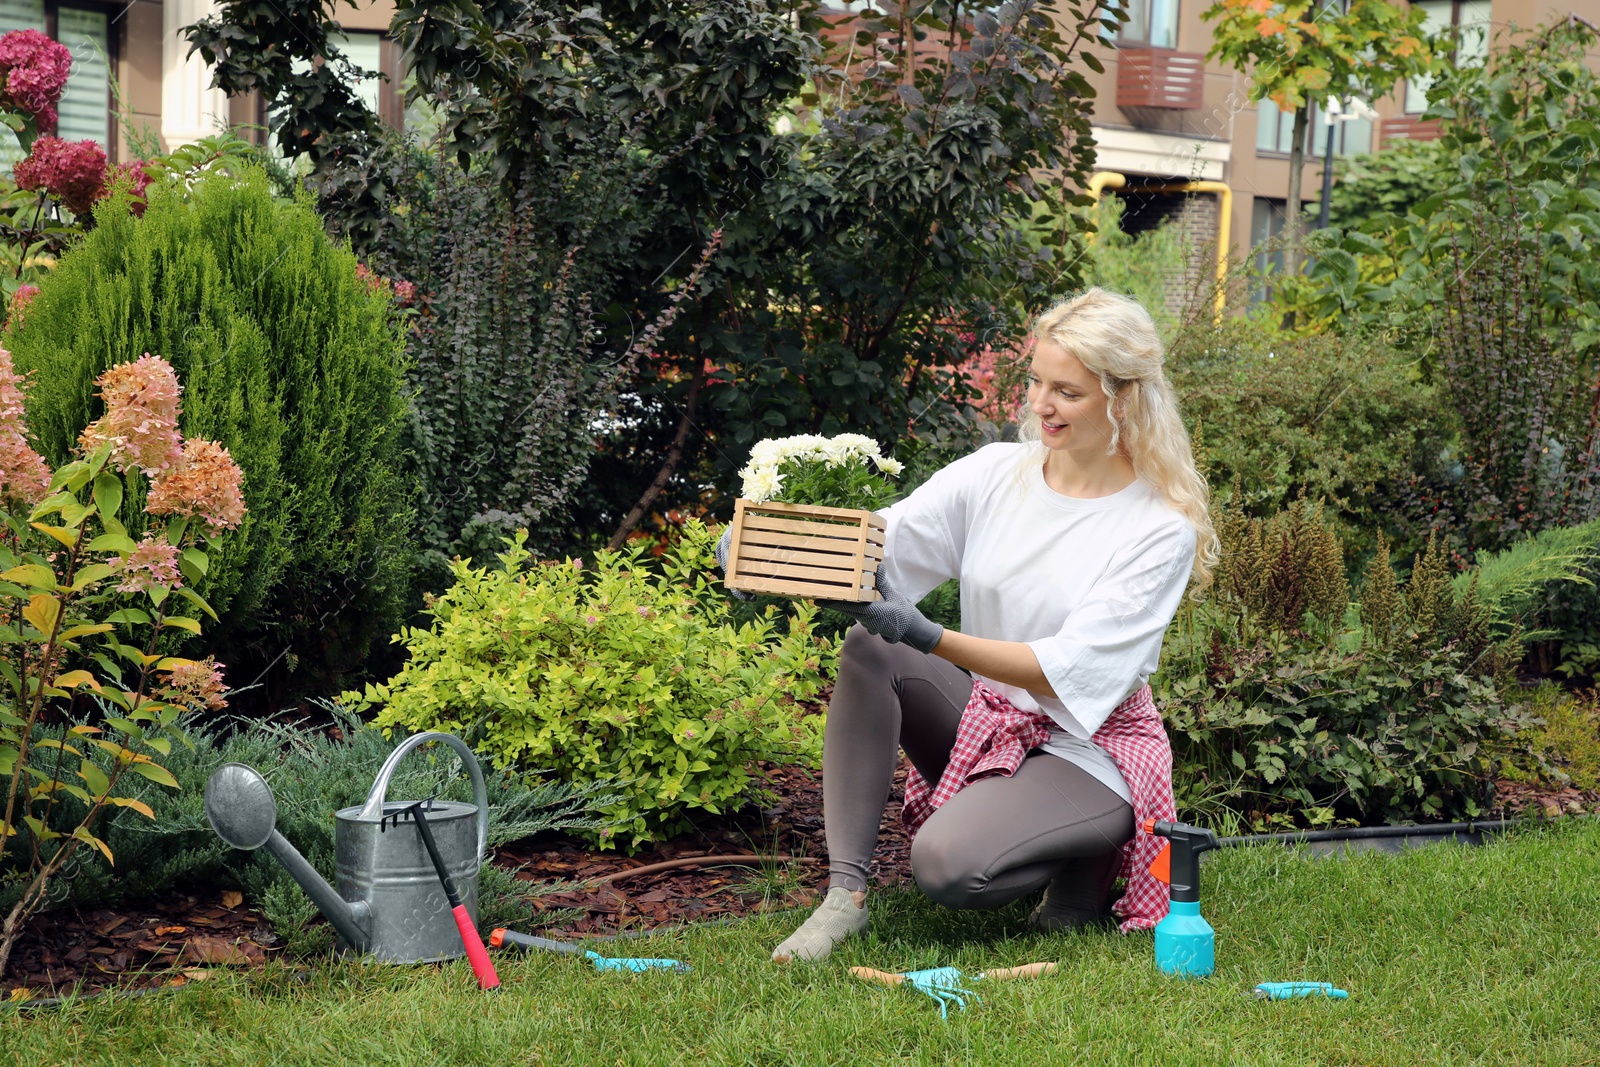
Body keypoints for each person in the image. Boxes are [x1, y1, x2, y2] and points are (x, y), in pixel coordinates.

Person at [720, 288, 1219, 963]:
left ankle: (1087, 860)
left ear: (1122, 399)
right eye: (1037, 380)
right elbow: (880, 548)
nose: (1040, 404)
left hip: (1089, 747)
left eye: (1066, 391)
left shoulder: (1158, 528)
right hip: (992, 715)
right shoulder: (995, 476)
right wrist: (772, 549)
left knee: (948, 866)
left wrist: (928, 635)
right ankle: (845, 899)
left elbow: (1061, 669)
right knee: (872, 646)